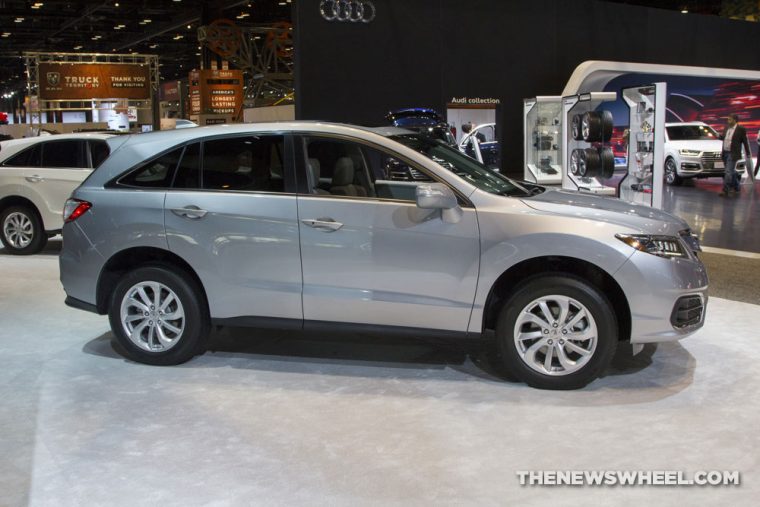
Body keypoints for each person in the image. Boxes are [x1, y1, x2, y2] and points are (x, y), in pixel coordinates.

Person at [719, 113, 751, 197]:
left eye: (730, 119)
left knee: (728, 172)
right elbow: (723, 138)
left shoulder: (741, 129)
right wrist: (718, 136)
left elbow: (745, 141)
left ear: (735, 120)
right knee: (731, 172)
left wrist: (748, 152)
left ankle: (726, 190)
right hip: (725, 152)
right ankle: (737, 187)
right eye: (728, 119)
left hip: (733, 153)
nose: (728, 121)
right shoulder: (726, 128)